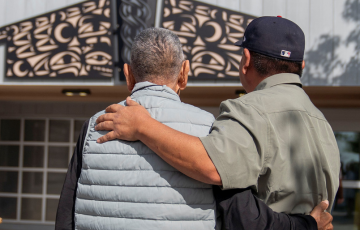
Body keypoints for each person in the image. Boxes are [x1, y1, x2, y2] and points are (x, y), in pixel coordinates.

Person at [56, 27, 331, 230]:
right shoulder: (208, 127)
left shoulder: (94, 126)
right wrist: (307, 225)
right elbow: (241, 217)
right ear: (184, 73)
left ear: (128, 75)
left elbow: (66, 212)